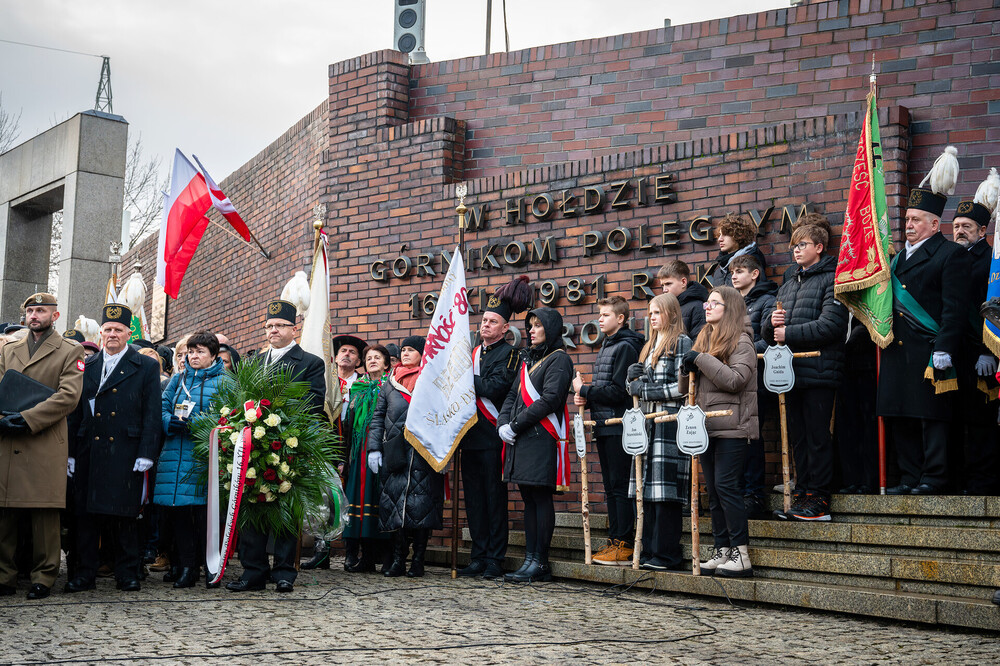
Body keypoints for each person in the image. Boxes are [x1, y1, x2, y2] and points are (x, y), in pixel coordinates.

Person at [878, 148, 971, 495]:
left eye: (917, 220)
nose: (909, 225)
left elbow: (955, 308)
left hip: (930, 348)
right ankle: (910, 476)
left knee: (931, 416)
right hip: (898, 349)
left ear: (934, 224)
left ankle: (934, 477)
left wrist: (945, 346)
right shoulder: (897, 259)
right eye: (907, 219)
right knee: (901, 413)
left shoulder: (951, 254)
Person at [227, 299, 326, 593]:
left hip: (288, 444)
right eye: (269, 326)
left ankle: (284, 572)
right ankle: (253, 572)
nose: (273, 330)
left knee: (286, 509)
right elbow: (240, 399)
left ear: (294, 329)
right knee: (253, 507)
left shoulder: (310, 362)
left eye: (280, 325)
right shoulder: (253, 362)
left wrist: (277, 419)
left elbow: (313, 404)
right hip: (254, 445)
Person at [65, 304, 161, 593]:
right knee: (86, 517)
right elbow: (74, 412)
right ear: (101, 333)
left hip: (125, 450)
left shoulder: (145, 366)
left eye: (118, 330)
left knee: (125, 516)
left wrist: (146, 452)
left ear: (129, 333)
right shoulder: (88, 365)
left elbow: (152, 413)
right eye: (107, 329)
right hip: (89, 450)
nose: (112, 334)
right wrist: (70, 453)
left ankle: (127, 573)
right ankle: (84, 574)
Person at [0, 293, 85, 599]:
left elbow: (68, 396)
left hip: (44, 438)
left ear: (55, 315)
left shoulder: (70, 350)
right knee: (5, 512)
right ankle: (4, 576)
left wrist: (27, 418)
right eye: (30, 311)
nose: (34, 315)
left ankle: (44, 576)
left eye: (41, 310)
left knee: (44, 513)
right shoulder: (8, 349)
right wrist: (2, 419)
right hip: (9, 437)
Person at [761, 222, 848, 521]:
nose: (796, 250)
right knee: (798, 438)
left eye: (802, 245)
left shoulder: (832, 279)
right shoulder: (788, 283)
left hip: (820, 370)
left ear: (819, 247)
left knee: (817, 436)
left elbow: (831, 325)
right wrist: (770, 323)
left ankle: (819, 499)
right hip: (791, 373)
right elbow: (770, 332)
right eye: (794, 246)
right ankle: (803, 493)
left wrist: (788, 333)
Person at [682, 286, 758, 577]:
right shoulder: (704, 338)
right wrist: (685, 367)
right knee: (713, 492)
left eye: (715, 303)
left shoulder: (742, 341)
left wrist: (701, 359)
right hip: (707, 428)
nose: (707, 306)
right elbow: (686, 388)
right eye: (707, 302)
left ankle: (741, 555)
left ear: (731, 309)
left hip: (733, 427)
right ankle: (722, 550)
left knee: (727, 487)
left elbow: (736, 380)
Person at [456, 276, 528, 579]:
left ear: (504, 328)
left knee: (494, 499)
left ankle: (495, 558)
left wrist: (463, 377)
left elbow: (495, 388)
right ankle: (478, 556)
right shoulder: (472, 354)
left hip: (491, 437)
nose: (486, 325)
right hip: (469, 437)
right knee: (473, 500)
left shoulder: (510, 354)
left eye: (492, 321)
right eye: (484, 320)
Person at [498, 307, 574, 583]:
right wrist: (502, 424)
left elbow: (551, 399)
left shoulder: (559, 359)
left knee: (540, 499)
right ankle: (529, 559)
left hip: (541, 439)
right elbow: (511, 396)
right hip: (522, 440)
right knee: (528, 500)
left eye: (538, 325)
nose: (531, 331)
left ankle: (540, 562)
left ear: (550, 329)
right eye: (530, 325)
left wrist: (515, 425)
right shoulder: (530, 360)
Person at [573, 295, 644, 566]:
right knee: (611, 487)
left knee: (620, 486)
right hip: (605, 425)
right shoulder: (608, 344)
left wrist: (585, 390)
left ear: (621, 318)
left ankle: (624, 544)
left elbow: (618, 391)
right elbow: (606, 391)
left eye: (605, 315)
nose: (600, 319)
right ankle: (615, 540)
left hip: (619, 425)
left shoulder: (625, 346)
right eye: (599, 314)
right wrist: (587, 398)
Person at [625, 293, 691, 571]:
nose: (651, 317)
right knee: (646, 491)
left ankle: (667, 554)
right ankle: (650, 551)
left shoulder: (681, 342)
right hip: (646, 424)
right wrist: (631, 379)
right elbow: (635, 389)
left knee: (665, 492)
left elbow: (683, 388)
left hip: (668, 422)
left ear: (671, 314)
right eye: (650, 312)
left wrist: (645, 389)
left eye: (657, 312)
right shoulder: (649, 345)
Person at [367, 336, 443, 578]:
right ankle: (399, 559)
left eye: (411, 350)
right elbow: (378, 416)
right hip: (395, 452)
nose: (406, 353)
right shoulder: (390, 382)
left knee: (421, 507)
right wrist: (374, 448)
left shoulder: (432, 378)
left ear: (422, 353)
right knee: (395, 506)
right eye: (403, 350)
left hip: (424, 452)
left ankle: (418, 560)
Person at [155, 331, 226, 589]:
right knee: (181, 515)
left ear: (213, 355)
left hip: (205, 455)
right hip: (175, 453)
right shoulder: (178, 379)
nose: (193, 357)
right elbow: (161, 407)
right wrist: (168, 422)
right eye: (190, 352)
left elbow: (227, 416)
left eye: (200, 352)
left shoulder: (225, 382)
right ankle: (187, 567)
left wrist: (196, 425)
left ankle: (211, 567)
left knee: (205, 517)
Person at [950, 169, 999, 495]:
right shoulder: (951, 257)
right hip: (955, 351)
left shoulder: (991, 261)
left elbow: (993, 306)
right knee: (957, 418)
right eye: (956, 226)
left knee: (981, 421)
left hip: (980, 352)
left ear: (982, 230)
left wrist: (988, 351)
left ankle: (983, 482)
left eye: (966, 227)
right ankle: (960, 481)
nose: (959, 231)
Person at [337, 344, 392, 573]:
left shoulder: (392, 386)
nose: (372, 361)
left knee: (379, 499)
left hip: (381, 450)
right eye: (369, 358)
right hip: (358, 453)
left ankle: (381, 555)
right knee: (356, 499)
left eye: (377, 357)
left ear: (386, 363)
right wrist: (343, 458)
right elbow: (348, 426)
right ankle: (359, 555)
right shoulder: (357, 388)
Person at [729, 254, 777, 517]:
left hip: (756, 380)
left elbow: (769, 340)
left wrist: (735, 352)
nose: (734, 276)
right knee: (736, 439)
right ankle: (737, 493)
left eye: (739, 271)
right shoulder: (731, 304)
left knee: (752, 438)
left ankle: (754, 495)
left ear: (755, 273)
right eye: (732, 272)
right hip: (733, 380)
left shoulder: (767, 301)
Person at [712, 212, 768, 288]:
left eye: (725, 234)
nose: (720, 239)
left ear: (739, 235)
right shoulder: (720, 270)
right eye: (719, 235)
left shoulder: (752, 261)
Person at [658, 260, 707, 339]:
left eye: (668, 284)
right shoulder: (668, 307)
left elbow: (699, 342)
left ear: (683, 282)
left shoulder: (698, 307)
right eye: (662, 285)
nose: (664, 290)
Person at [332, 334, 366, 426]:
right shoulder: (327, 381)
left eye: (352, 352)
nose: (347, 354)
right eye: (343, 351)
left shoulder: (364, 382)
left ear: (358, 362)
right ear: (336, 358)